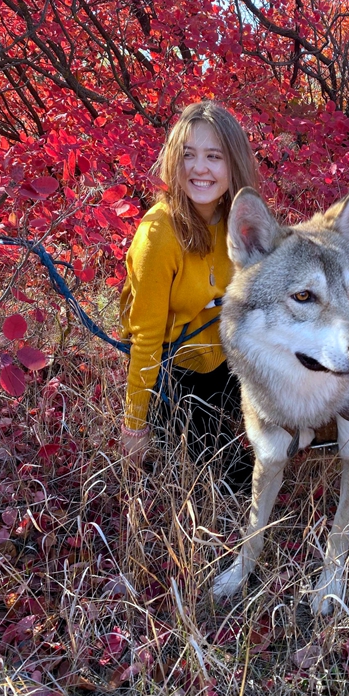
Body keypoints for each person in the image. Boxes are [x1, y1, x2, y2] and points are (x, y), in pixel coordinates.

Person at [119, 101, 258, 488]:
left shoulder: (237, 219)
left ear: (233, 163)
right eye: (188, 155)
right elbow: (145, 339)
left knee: (291, 426)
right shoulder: (158, 233)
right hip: (175, 368)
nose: (199, 168)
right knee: (236, 477)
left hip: (225, 356)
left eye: (213, 156)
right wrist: (134, 426)